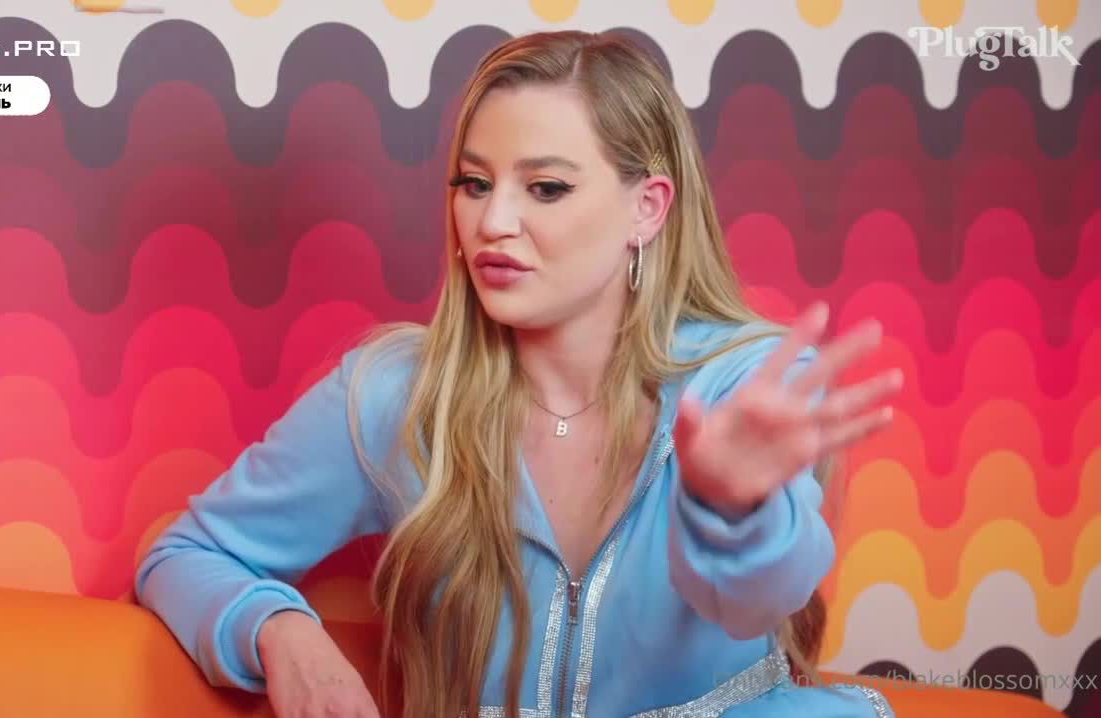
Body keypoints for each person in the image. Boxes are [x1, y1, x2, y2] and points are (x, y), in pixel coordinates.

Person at [135, 30, 902, 718]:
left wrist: (730, 510)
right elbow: (184, 556)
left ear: (648, 208)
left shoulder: (744, 383)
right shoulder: (394, 394)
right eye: (475, 184)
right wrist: (281, 630)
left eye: (546, 188)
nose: (493, 222)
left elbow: (761, 601)